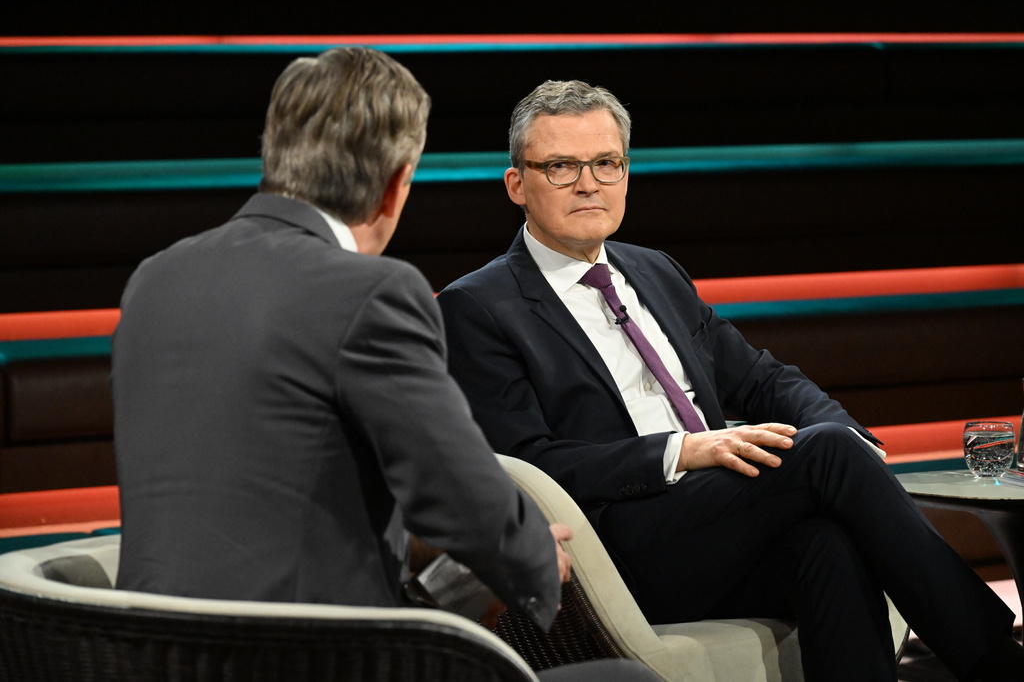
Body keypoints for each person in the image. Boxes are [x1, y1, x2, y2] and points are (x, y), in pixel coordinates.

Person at [436, 79, 1024, 682]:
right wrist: (681, 451)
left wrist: (851, 439)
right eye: (561, 166)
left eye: (606, 163)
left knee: (827, 543)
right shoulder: (478, 307)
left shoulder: (654, 271)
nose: (589, 183)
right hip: (616, 550)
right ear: (517, 184)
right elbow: (529, 462)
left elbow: (763, 378)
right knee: (826, 453)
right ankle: (996, 663)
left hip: (722, 524)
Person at [112, 50, 658, 682]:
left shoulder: (154, 279)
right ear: (398, 182)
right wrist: (531, 552)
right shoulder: (369, 291)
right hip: (304, 658)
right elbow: (452, 493)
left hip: (145, 656)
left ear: (277, 154)